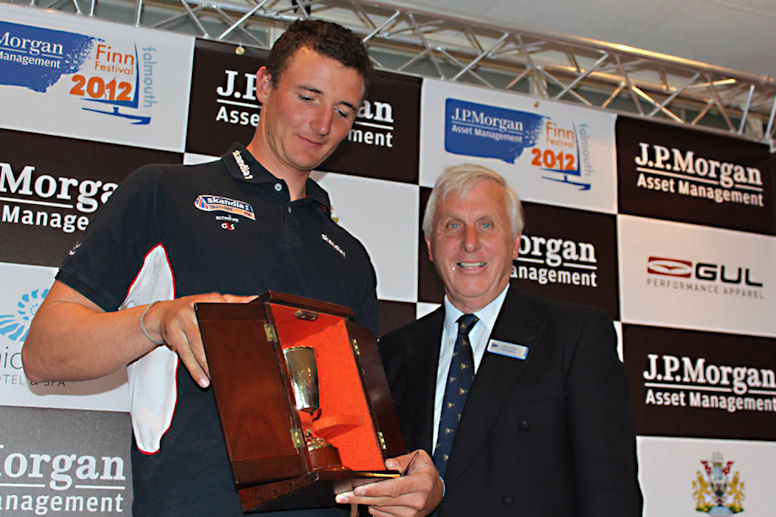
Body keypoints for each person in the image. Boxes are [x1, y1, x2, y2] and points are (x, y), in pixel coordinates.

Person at [22, 19, 441, 517]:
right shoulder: (163, 193)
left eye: (343, 110)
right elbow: (42, 354)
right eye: (308, 96)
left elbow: (357, 434)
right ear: (264, 85)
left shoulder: (349, 254)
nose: (323, 124)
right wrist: (157, 320)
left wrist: (412, 485)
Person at [372, 164, 643, 516]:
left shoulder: (575, 336)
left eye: (487, 225)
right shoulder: (393, 353)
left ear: (515, 243)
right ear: (430, 246)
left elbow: (612, 494)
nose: (469, 242)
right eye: (452, 226)